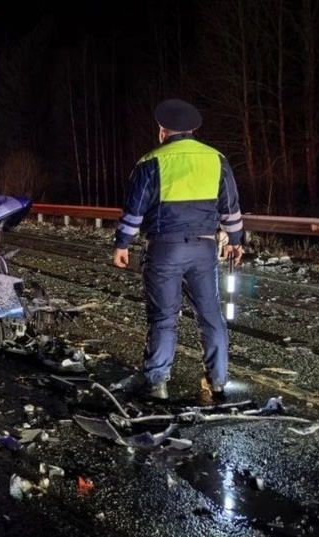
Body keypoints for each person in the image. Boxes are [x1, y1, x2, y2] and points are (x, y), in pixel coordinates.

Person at [112, 98, 245, 400]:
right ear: (192, 132)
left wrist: (122, 243)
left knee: (164, 317)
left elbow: (135, 210)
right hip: (204, 249)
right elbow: (230, 209)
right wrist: (236, 242)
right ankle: (218, 381)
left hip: (165, 248)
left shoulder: (151, 161)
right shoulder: (216, 159)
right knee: (211, 315)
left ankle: (158, 383)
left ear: (163, 131)